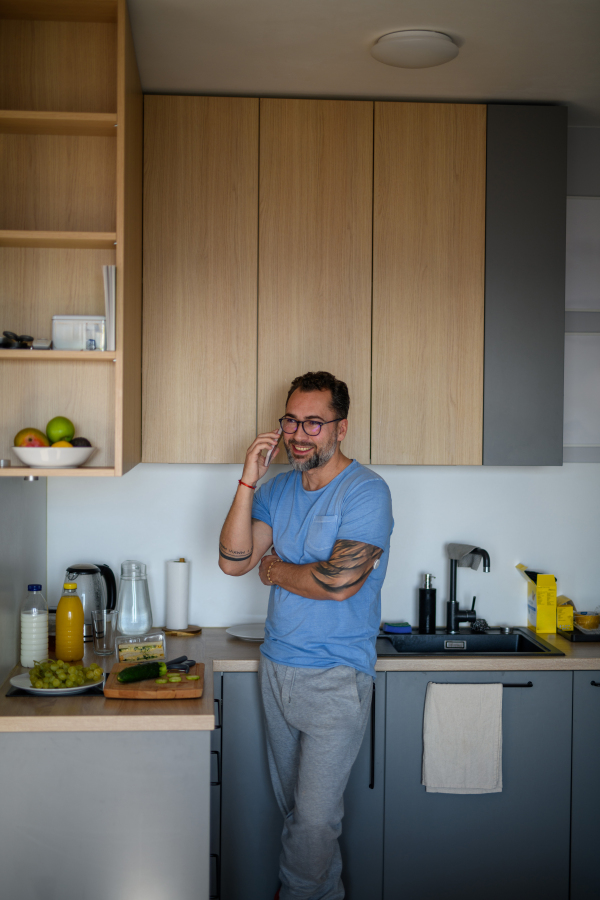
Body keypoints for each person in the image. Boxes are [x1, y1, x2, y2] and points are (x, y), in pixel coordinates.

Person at [218, 371, 394, 900]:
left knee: (315, 822)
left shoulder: (367, 491)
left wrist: (275, 572)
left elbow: (338, 582)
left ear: (341, 428)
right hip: (277, 669)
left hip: (337, 676)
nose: (299, 433)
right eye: (292, 420)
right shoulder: (276, 489)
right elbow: (233, 561)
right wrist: (248, 480)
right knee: (299, 813)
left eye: (314, 422)